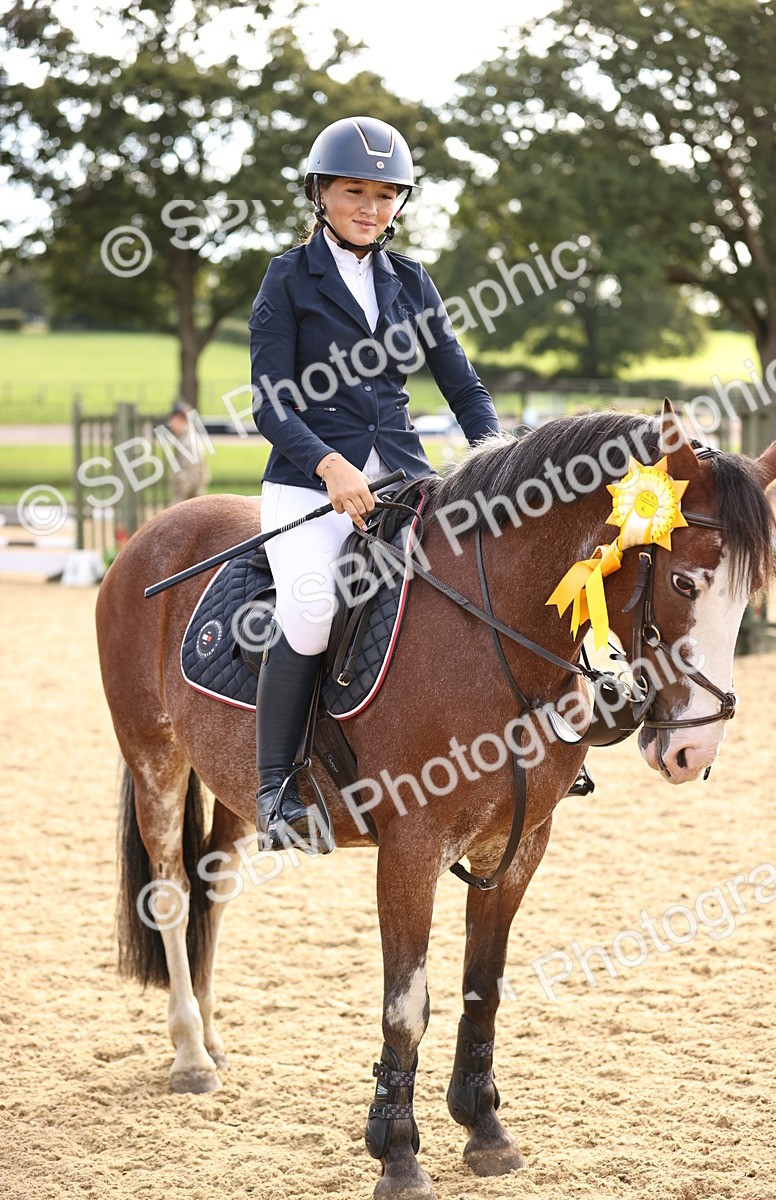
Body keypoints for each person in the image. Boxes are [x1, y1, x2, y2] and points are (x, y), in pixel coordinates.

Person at [249, 115, 501, 853]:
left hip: (402, 475)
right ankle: (275, 790)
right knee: (312, 608)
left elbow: (463, 384)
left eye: (386, 193)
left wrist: (496, 455)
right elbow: (270, 400)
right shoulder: (287, 278)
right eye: (354, 190)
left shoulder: (412, 281)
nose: (370, 205)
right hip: (306, 483)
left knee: (481, 581)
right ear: (321, 193)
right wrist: (328, 466)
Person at [165, 401, 211, 503]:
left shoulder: (188, 442)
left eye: (172, 419)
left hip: (189, 497)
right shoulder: (184, 438)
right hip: (190, 496)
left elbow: (191, 475)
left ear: (179, 419)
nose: (170, 423)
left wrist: (179, 502)